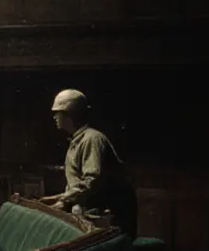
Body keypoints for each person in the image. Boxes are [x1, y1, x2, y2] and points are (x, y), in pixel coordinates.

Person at [39, 89, 138, 238]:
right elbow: (78, 185)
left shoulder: (92, 139)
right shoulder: (77, 141)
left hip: (108, 219)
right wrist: (58, 198)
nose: (54, 117)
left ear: (69, 113)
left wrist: (63, 200)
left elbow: (92, 180)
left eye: (57, 113)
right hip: (93, 214)